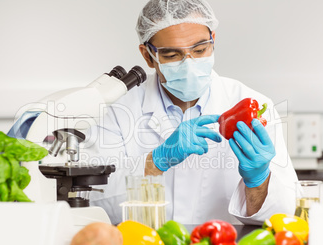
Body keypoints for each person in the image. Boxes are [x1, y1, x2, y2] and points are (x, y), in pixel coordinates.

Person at [86, 0, 298, 225]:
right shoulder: (116, 110)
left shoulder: (253, 105)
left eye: (199, 49)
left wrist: (259, 181)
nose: (189, 64)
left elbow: (281, 218)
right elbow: (93, 202)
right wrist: (153, 163)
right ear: (148, 56)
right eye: (171, 55)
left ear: (213, 41)